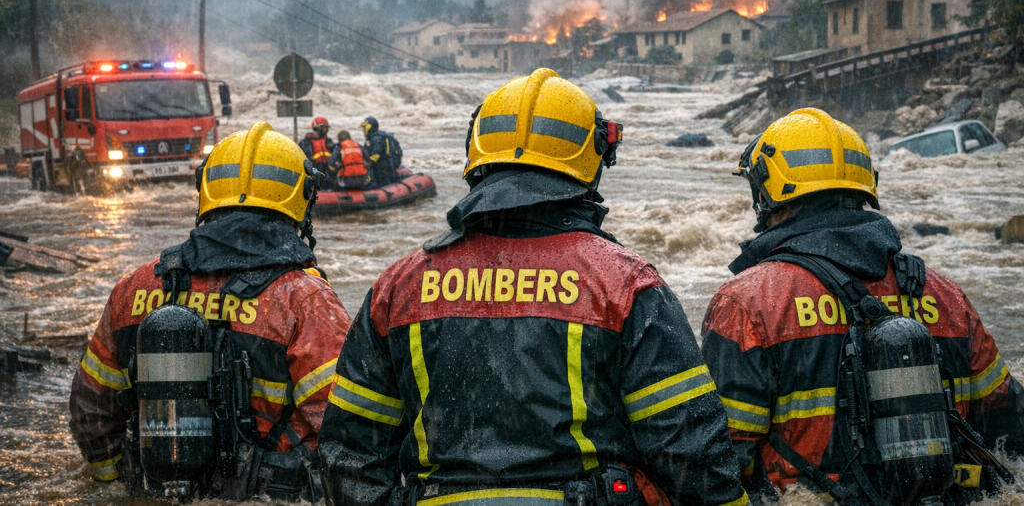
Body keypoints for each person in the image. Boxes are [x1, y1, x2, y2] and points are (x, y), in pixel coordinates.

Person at [319, 69, 748, 506]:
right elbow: (690, 453)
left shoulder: (399, 287)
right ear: (593, 159)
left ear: (476, 153)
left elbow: (350, 455)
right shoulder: (627, 285)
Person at [701, 108, 1024, 505]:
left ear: (768, 193)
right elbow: (1005, 422)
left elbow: (719, 461)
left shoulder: (747, 304)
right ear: (864, 187)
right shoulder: (943, 295)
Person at [69, 121, 351, 502]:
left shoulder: (135, 288)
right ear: (302, 196)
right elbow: (347, 430)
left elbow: (91, 409)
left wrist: (119, 487)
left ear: (205, 191)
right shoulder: (304, 299)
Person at [361, 116, 402, 187]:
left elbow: (375, 157)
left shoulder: (376, 140)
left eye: (364, 128)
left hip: (381, 174)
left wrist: (361, 164)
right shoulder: (385, 136)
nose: (363, 131)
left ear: (369, 128)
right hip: (389, 171)